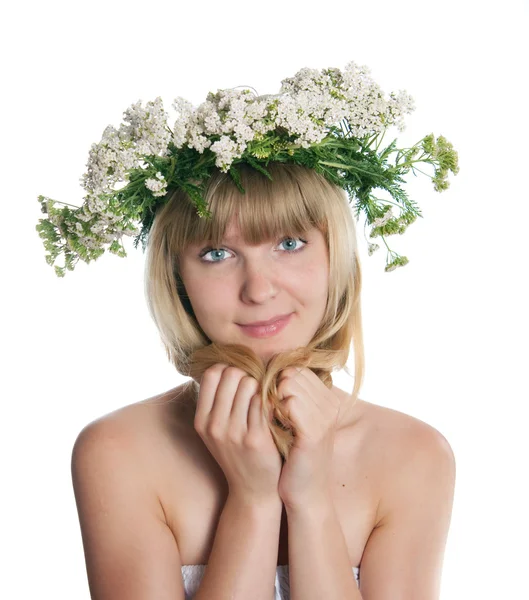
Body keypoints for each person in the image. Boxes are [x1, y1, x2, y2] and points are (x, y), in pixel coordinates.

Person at [41, 64, 458, 599]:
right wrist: (254, 500)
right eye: (217, 254)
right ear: (177, 278)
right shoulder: (118, 451)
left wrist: (309, 503)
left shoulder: (416, 455)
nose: (258, 289)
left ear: (337, 257)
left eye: (289, 243)